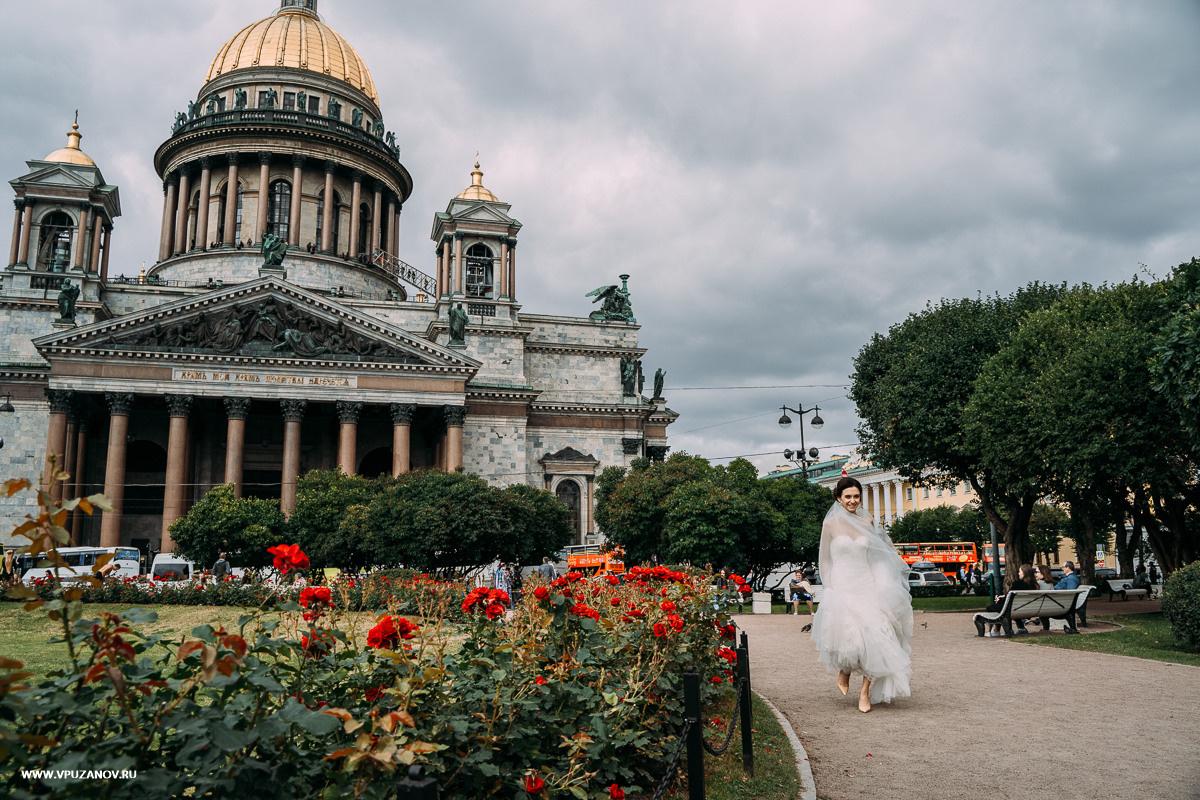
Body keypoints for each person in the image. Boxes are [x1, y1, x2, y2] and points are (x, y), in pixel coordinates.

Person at [811, 476, 913, 713]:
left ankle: (865, 691)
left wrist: (885, 584)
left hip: (867, 585)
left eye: (856, 496)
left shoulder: (868, 522)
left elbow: (881, 556)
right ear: (839, 497)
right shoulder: (831, 525)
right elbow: (824, 560)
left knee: (879, 635)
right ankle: (844, 672)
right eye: (848, 496)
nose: (853, 500)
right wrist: (829, 585)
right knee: (849, 637)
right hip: (842, 586)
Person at [983, 564, 1038, 636]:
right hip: (1026, 608)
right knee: (1010, 608)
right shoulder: (1034, 585)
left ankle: (997, 630)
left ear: (1025, 572)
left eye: (1020, 571)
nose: (1018, 573)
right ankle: (1021, 628)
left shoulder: (1018, 584)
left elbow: (1008, 599)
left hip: (1013, 608)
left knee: (991, 608)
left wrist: (999, 599)